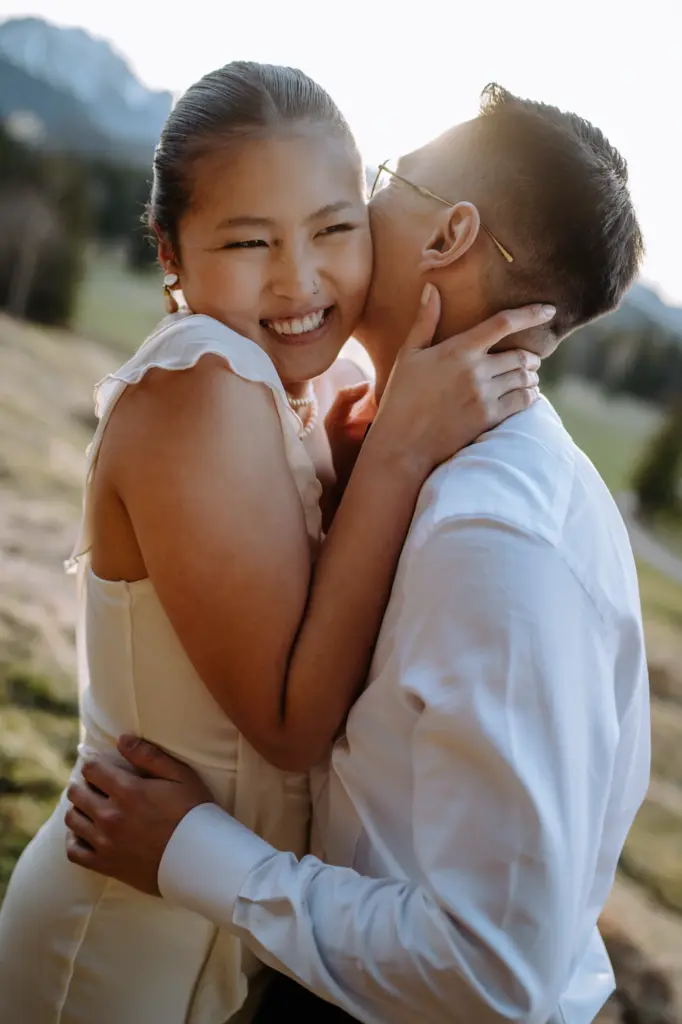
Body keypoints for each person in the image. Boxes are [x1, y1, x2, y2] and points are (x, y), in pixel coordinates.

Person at [64, 85, 649, 1024]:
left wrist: (203, 856)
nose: (356, 212)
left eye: (385, 179)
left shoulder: (493, 537)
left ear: (450, 234)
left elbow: (494, 972)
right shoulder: (405, 450)